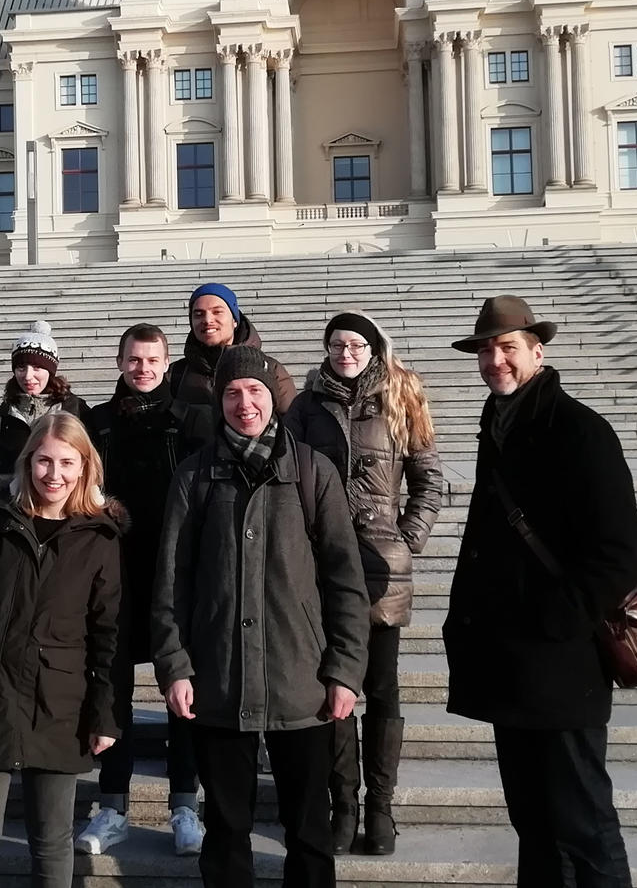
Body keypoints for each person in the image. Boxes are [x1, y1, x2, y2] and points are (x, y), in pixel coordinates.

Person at [445, 296, 637, 888]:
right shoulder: (499, 423)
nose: (494, 360)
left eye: (507, 348)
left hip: (561, 661)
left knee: (583, 824)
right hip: (514, 662)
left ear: (538, 350)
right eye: (485, 350)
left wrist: (552, 623)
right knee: (533, 822)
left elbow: (618, 558)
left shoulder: (580, 430)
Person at [153, 347, 369, 888]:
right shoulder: (194, 477)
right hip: (219, 681)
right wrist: (175, 665)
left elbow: (346, 579)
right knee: (226, 832)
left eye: (254, 391)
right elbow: (171, 581)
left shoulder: (312, 472)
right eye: (231, 392)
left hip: (302, 683)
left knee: (308, 832)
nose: (243, 403)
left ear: (273, 397)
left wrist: (344, 669)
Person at [0, 412, 124, 888]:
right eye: (43, 461)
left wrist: (103, 712)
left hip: (59, 703)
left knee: (52, 844)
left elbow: (106, 631)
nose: (53, 475)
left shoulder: (99, 535)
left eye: (66, 463)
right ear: (27, 461)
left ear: (84, 467)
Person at [283, 311, 446, 856]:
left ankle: (380, 807)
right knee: (333, 687)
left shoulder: (401, 396)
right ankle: (343, 803)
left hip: (381, 566)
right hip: (322, 568)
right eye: (335, 344)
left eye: (354, 344)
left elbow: (428, 479)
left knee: (381, 687)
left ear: (374, 348)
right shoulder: (306, 405)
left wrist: (407, 537)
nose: (345, 353)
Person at [77, 323, 203, 857]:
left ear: (166, 363)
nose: (143, 369)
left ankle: (184, 807)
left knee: (184, 695)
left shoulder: (192, 420)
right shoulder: (98, 423)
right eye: (134, 360)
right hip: (115, 575)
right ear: (120, 362)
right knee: (114, 690)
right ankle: (112, 807)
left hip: (177, 575)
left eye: (152, 360)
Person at [0, 320, 90, 482]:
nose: (28, 376)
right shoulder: (1, 417)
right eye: (21, 368)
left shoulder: (77, 411)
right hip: (13, 504)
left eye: (37, 368)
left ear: (50, 371)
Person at [164, 282, 296, 419]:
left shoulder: (270, 370)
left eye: (217, 312)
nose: (208, 320)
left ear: (235, 320)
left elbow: (289, 427)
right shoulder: (175, 374)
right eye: (198, 314)